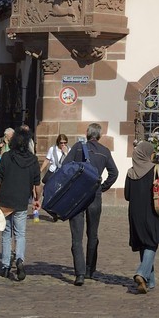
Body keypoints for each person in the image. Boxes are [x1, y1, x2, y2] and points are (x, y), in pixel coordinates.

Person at [65, 122, 119, 285]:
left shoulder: (78, 148)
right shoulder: (104, 151)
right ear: (99, 135)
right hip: (94, 195)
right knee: (93, 234)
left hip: (77, 195)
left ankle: (80, 273)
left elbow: (65, 167)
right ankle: (90, 270)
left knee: (77, 236)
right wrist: (103, 187)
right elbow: (114, 173)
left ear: (87, 133)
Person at [0, 129, 42, 281]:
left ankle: (5, 265)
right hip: (22, 201)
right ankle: (19, 260)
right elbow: (37, 183)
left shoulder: (6, 157)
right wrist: (37, 199)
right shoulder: (33, 160)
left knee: (6, 234)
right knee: (20, 234)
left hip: (5, 200)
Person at [124, 138, 159, 294]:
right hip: (152, 211)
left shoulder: (130, 172)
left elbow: (126, 195)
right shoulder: (156, 169)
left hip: (134, 213)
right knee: (152, 242)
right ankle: (141, 273)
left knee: (143, 242)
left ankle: (149, 281)